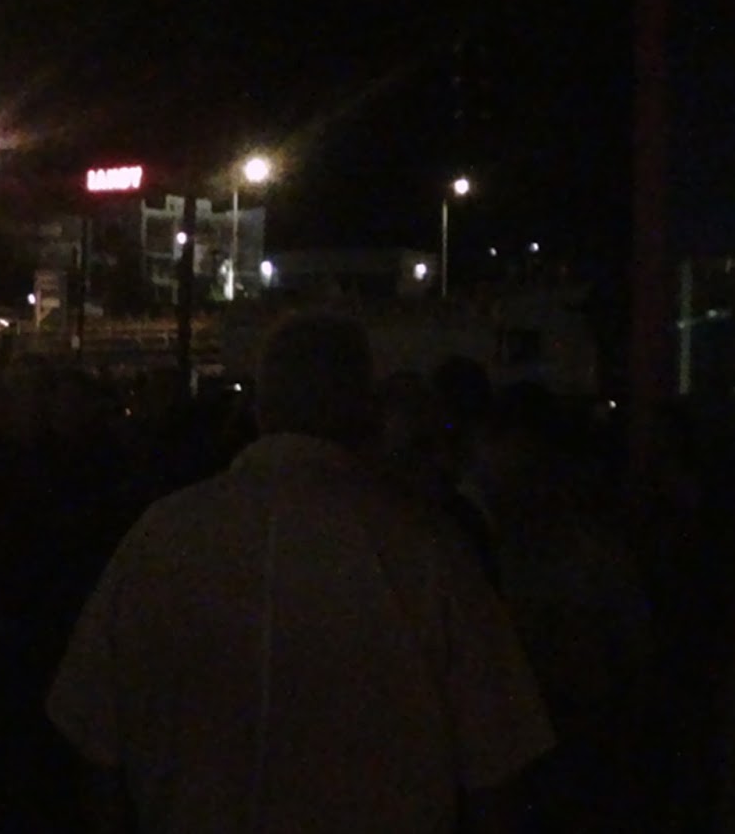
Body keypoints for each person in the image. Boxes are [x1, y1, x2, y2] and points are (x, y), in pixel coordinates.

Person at [48, 313, 554, 833]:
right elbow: (497, 762)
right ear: (365, 412)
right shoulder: (426, 551)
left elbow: (94, 742)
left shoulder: (159, 538)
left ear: (261, 408)